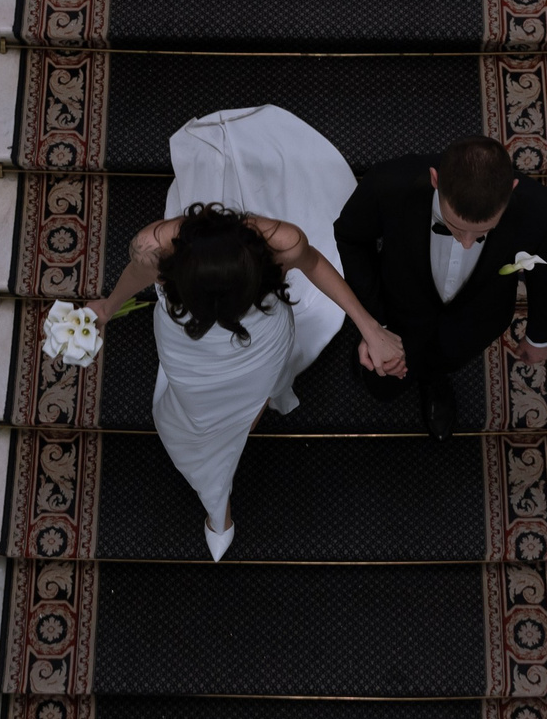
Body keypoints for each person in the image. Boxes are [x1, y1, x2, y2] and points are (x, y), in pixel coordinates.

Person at [85, 106, 400, 558]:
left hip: (263, 336)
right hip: (185, 341)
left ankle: (228, 474)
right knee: (191, 419)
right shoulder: (153, 245)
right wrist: (106, 308)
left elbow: (313, 265)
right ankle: (218, 496)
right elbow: (136, 276)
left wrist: (369, 326)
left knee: (251, 397)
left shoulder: (281, 241)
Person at [333, 133, 547, 441]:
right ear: (435, 179)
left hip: (476, 318)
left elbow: (545, 273)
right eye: (456, 227)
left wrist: (541, 335)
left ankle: (433, 379)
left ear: (511, 190)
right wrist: (375, 324)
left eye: (482, 231)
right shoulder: (388, 184)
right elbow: (351, 238)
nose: (468, 243)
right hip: (398, 307)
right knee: (381, 386)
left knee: (447, 358)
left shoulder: (542, 210)